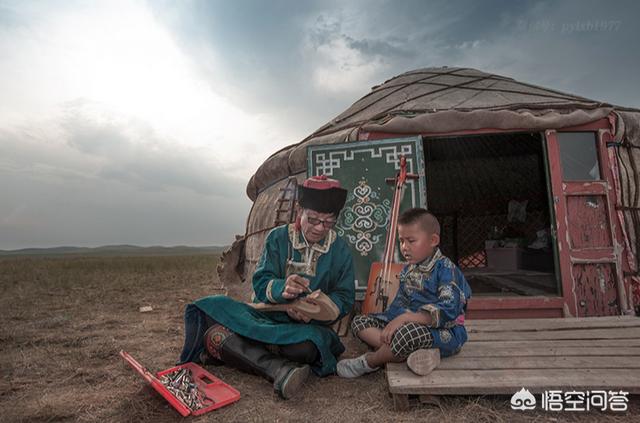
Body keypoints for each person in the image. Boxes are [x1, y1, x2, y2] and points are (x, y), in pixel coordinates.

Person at [177, 175, 355, 399]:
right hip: (268, 318)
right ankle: (275, 366)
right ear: (300, 211)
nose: (320, 228)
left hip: (305, 329)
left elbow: (345, 296)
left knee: (306, 348)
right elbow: (261, 283)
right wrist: (282, 288)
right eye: (314, 219)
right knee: (213, 305)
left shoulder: (340, 249)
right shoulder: (278, 238)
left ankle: (239, 350)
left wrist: (317, 311)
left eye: (329, 222)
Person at [337, 208, 472, 378]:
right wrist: (394, 323)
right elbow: (400, 304)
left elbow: (449, 308)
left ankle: (370, 361)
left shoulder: (446, 270)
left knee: (407, 334)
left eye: (411, 241)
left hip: (443, 331)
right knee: (360, 322)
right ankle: (412, 352)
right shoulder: (409, 270)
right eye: (401, 241)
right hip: (409, 327)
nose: (404, 247)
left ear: (433, 240)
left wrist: (406, 319)